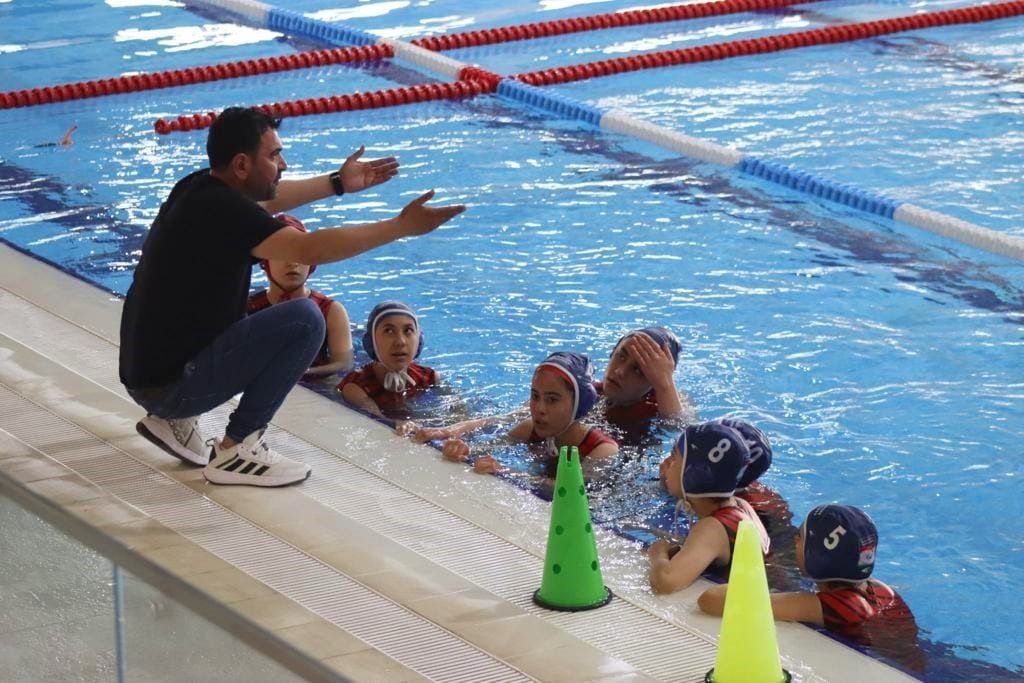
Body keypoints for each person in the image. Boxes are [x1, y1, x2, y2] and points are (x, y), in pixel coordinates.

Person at [120, 106, 464, 487]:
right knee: (305, 318)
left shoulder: (198, 189)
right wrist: (399, 227)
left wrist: (338, 182)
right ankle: (237, 448)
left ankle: (176, 419)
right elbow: (311, 248)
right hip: (172, 387)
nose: (283, 164)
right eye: (273, 155)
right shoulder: (225, 212)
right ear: (240, 165)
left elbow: (269, 200)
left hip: (149, 376)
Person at [698, 504, 926, 673]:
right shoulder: (881, 590)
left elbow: (712, 600)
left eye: (800, 538)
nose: (794, 542)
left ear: (817, 557)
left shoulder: (832, 605)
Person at [437, 351, 618, 479]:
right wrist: (462, 450)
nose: (539, 408)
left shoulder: (602, 449)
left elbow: (577, 493)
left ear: (580, 405)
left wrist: (507, 471)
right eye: (535, 396)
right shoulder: (529, 429)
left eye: (552, 400)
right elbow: (488, 447)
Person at [647, 421, 769, 594]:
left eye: (674, 458)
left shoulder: (712, 528)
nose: (667, 463)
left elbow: (666, 582)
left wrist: (658, 553)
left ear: (694, 475)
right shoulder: (741, 504)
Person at [247, 213, 354, 378]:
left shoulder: (330, 311)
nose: (293, 262)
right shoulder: (250, 307)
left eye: (300, 253)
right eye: (282, 253)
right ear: (264, 262)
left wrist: (304, 373)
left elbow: (343, 365)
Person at [337, 300, 437, 430]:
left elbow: (460, 415)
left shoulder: (428, 378)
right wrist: (398, 424)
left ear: (419, 340)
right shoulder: (356, 386)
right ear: (371, 342)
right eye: (389, 331)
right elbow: (378, 420)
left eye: (408, 331)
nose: (400, 342)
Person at [596, 327, 692, 429]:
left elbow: (679, 427)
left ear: (654, 383)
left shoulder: (656, 407)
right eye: (621, 357)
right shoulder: (591, 389)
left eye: (638, 370)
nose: (620, 372)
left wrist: (665, 386)